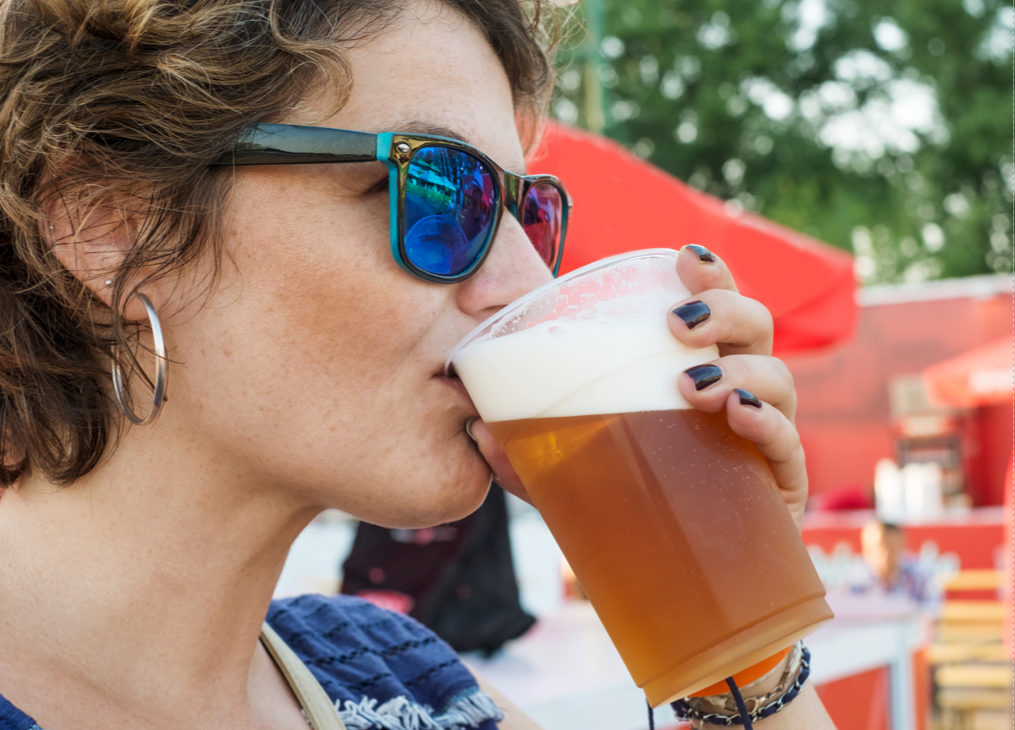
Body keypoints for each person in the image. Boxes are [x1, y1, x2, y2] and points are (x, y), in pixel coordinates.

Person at [0, 1, 835, 728]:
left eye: (527, 211)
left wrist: (725, 609)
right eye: (439, 192)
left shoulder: (406, 687)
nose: (527, 285)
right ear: (107, 225)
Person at [850, 520, 936, 607]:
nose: (887, 553)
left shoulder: (919, 576)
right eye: (880, 547)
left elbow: (932, 609)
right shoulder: (854, 580)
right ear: (866, 549)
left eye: (892, 547)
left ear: (902, 546)